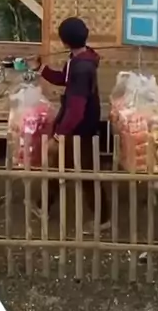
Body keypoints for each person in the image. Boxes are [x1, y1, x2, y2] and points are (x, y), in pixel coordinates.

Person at [31, 17, 110, 232]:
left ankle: (103, 219)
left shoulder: (82, 67)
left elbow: (76, 109)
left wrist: (59, 136)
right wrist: (41, 68)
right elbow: (64, 79)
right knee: (59, 166)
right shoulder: (79, 58)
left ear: (64, 41)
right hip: (77, 126)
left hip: (81, 129)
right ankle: (43, 206)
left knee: (87, 174)